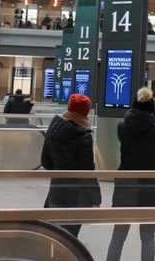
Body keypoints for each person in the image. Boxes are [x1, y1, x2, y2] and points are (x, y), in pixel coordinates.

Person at [106, 88, 155, 261]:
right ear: (151, 108)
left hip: (125, 185)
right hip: (149, 186)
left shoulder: (122, 127)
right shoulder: (153, 130)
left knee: (118, 234)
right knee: (147, 236)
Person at [41, 94, 100, 238]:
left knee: (55, 235)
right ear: (86, 112)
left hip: (56, 189)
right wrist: (95, 195)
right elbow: (87, 170)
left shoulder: (53, 129)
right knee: (70, 239)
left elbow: (45, 162)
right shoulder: (84, 136)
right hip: (76, 194)